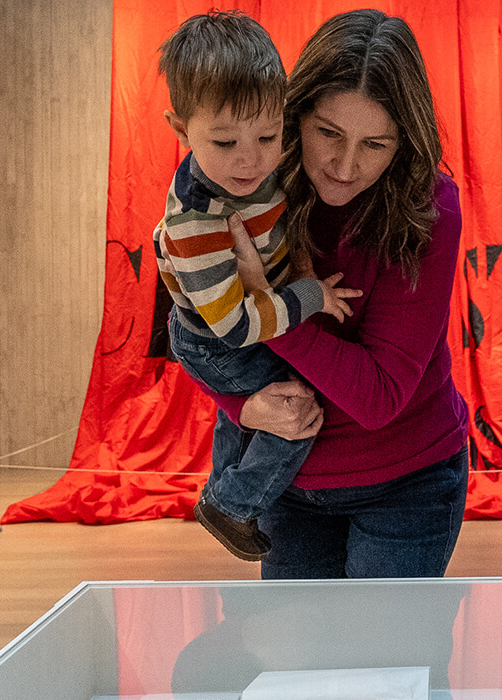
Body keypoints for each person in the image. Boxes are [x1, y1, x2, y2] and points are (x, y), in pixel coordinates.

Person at [194, 8, 470, 580]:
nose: (346, 167)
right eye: (329, 134)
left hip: (406, 479)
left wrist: (269, 303)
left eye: (375, 144)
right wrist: (241, 405)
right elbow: (191, 334)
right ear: (294, 116)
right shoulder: (240, 175)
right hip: (286, 485)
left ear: (406, 142)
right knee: (297, 668)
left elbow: (379, 397)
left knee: (389, 668)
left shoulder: (430, 207)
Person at [152, 10, 363, 561]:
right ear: (180, 129)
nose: (251, 160)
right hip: (217, 336)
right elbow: (238, 324)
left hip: (240, 309)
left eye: (268, 136)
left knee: (257, 403)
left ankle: (225, 483)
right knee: (293, 408)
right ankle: (234, 501)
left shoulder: (262, 160)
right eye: (224, 143)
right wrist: (312, 295)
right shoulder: (197, 223)